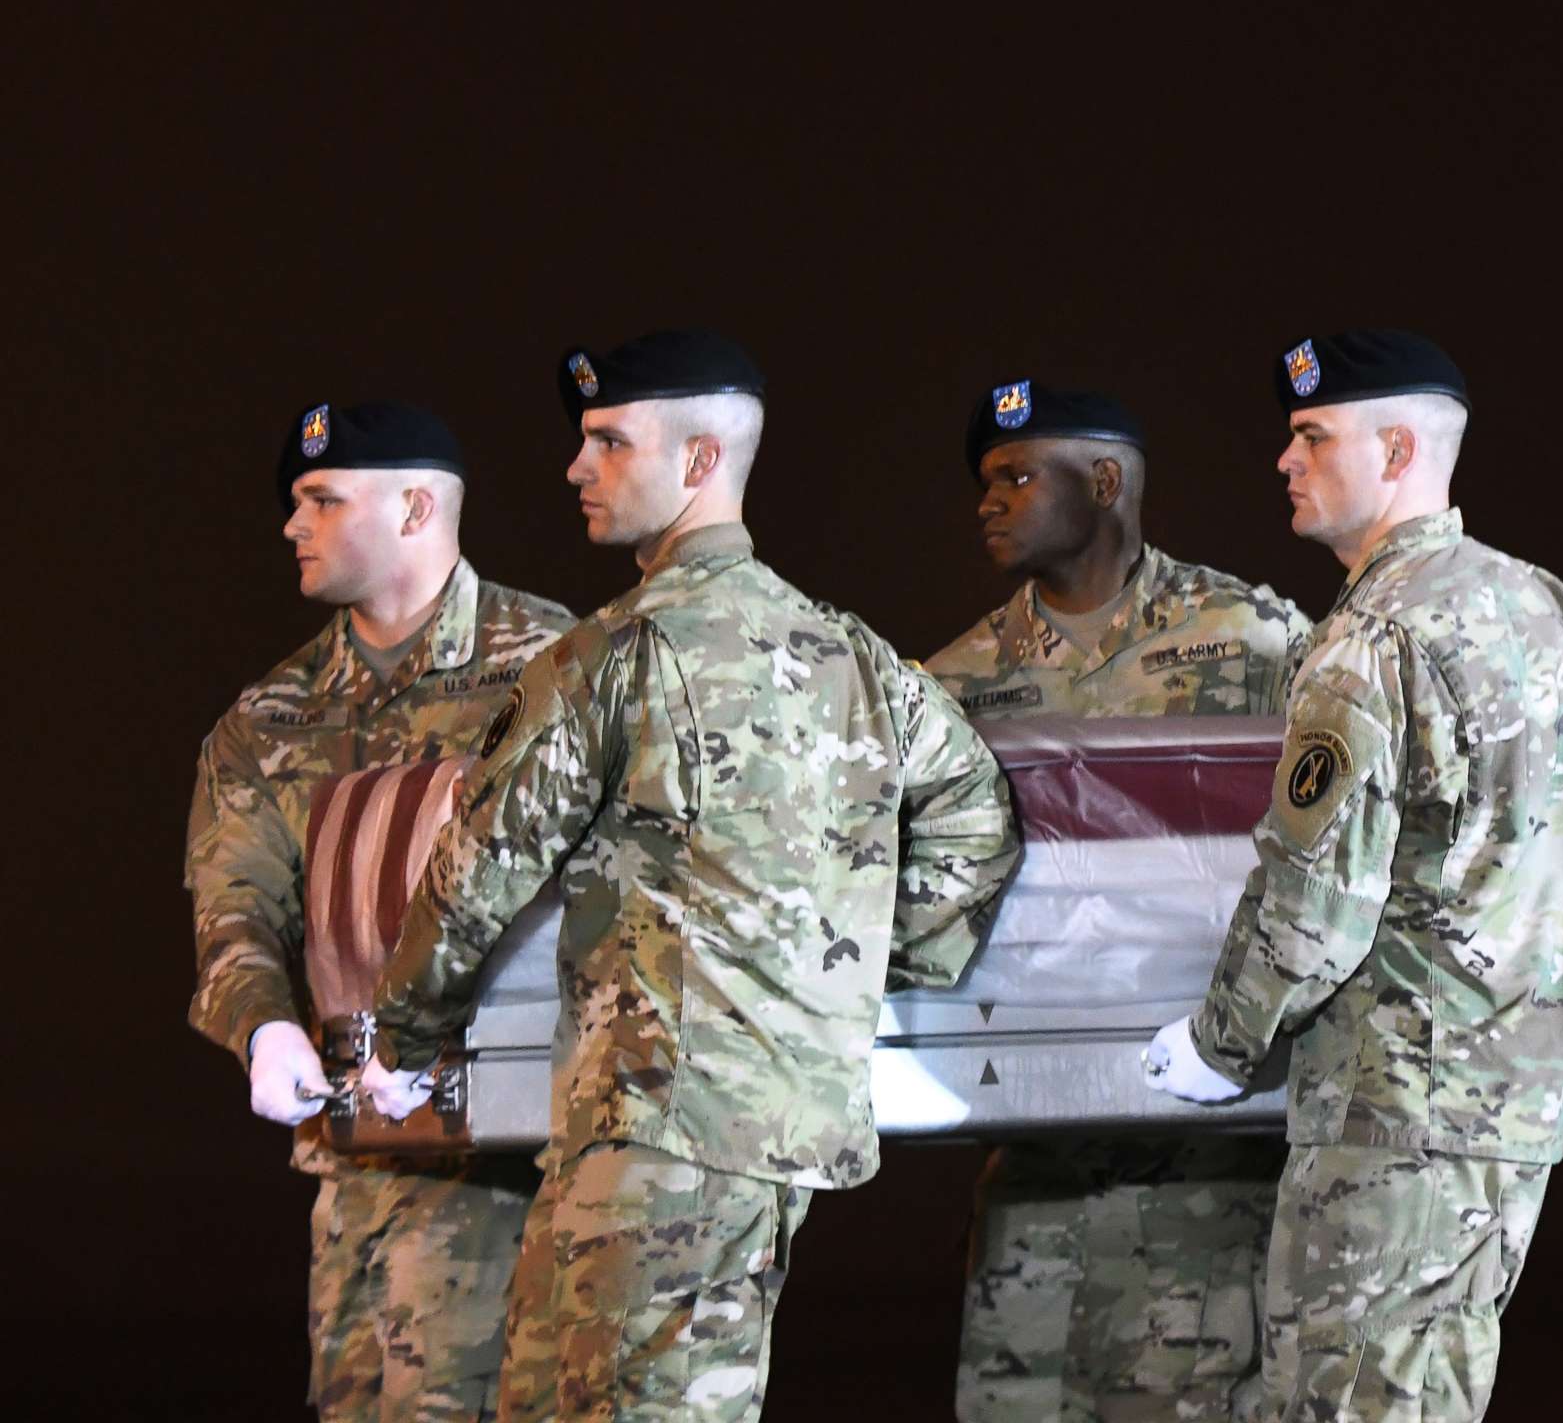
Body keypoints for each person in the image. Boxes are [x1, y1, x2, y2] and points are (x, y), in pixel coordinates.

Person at [360, 331, 1021, 1421]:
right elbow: (976, 818)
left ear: (702, 463)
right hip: (769, 1125)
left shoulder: (616, 656)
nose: (578, 468)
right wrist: (845, 973)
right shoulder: (850, 655)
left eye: (610, 443)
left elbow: (481, 866)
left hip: (653, 1127)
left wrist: (405, 1038)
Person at [1143, 328, 1563, 1421]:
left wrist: (1220, 1040)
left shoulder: (1369, 638)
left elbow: (1315, 906)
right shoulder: (1543, 607)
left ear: (1399, 448)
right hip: (1511, 1109)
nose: (1285, 460)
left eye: (1314, 437)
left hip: (1393, 1118)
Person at [933, 381, 1312, 1423]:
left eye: (1016, 475)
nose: (989, 500)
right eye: (984, 480)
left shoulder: (1256, 641)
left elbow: (1339, 843)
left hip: (1209, 1153)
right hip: (1037, 1153)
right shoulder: (951, 686)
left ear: (1104, 484)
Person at [186, 400, 572, 1420]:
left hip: (518, 1165)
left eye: (320, 499)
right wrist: (263, 1026)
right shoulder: (270, 719)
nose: (290, 524)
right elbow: (236, 908)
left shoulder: (560, 671)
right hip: (356, 1164)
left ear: (413, 506)